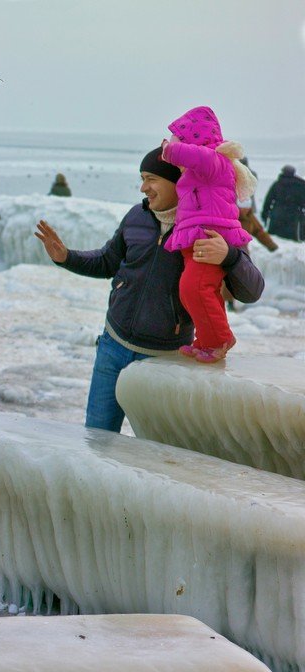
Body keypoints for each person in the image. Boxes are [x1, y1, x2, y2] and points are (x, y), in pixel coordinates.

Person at [34, 145, 264, 433]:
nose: (143, 187)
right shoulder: (136, 217)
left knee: (158, 450)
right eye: (142, 179)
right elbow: (107, 261)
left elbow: (252, 291)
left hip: (165, 360)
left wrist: (229, 255)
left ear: (176, 181)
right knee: (98, 437)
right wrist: (65, 257)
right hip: (113, 346)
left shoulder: (212, 225)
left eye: (150, 178)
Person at [160, 106, 254, 363]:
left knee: (196, 287)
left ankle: (220, 339)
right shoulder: (201, 171)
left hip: (209, 235)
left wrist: (169, 149)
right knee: (196, 289)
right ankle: (206, 339)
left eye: (181, 140)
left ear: (195, 141)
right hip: (198, 235)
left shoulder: (214, 161)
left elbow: (191, 155)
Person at [236, 159, 277, 253]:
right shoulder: (229, 217)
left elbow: (259, 231)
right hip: (231, 256)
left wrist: (272, 246)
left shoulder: (248, 216)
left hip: (241, 256)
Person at [261, 164, 305, 242]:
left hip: (277, 216)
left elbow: (268, 200)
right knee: (292, 241)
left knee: (276, 239)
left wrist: (264, 214)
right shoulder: (300, 185)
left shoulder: (277, 184)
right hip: (294, 218)